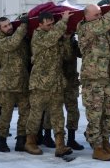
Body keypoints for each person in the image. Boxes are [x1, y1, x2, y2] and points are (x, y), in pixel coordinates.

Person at [76, 1, 110, 161]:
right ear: (86, 16)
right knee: (95, 114)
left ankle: (105, 140)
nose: (99, 16)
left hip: (107, 77)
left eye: (100, 14)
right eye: (96, 14)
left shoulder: (102, 28)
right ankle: (97, 146)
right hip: (93, 78)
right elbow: (101, 25)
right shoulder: (85, 28)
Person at [25, 11, 73, 157]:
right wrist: (63, 21)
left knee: (58, 115)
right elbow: (50, 38)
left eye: (53, 24)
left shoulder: (56, 36)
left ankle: (60, 145)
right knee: (36, 114)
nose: (52, 27)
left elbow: (67, 56)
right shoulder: (38, 36)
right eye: (49, 24)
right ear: (40, 25)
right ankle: (30, 142)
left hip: (56, 83)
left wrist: (65, 40)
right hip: (40, 84)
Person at [0, 16, 30, 152]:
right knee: (6, 114)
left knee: (25, 113)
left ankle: (21, 139)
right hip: (7, 83)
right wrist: (23, 26)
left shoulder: (18, 37)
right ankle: (2, 140)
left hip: (22, 81)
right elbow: (12, 43)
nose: (9, 27)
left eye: (9, 24)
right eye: (5, 26)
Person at [62, 34, 84, 150]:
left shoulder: (73, 42)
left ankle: (71, 138)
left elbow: (82, 53)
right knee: (52, 113)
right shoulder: (55, 39)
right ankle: (48, 136)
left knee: (73, 111)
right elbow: (67, 56)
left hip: (71, 81)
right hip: (57, 82)